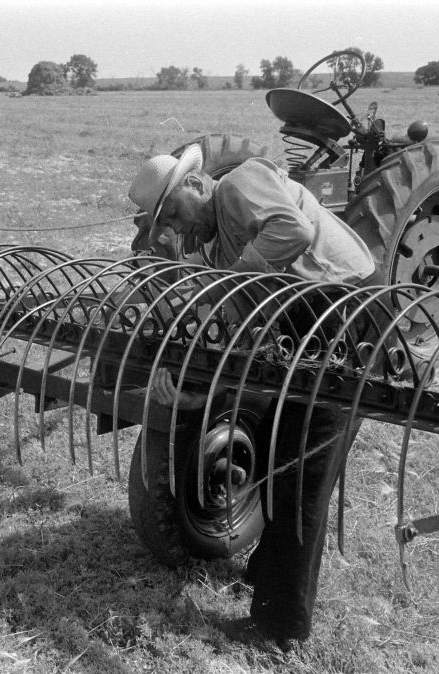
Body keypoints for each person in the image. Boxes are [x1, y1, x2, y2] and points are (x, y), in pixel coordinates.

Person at [128, 144, 377, 646]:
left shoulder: (241, 183)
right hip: (303, 322)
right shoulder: (221, 246)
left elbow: (295, 231)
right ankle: (269, 573)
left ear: (196, 185)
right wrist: (185, 384)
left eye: (175, 212)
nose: (178, 229)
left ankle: (280, 629)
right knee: (280, 456)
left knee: (301, 475)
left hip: (343, 314)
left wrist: (232, 280)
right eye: (166, 224)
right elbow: (231, 324)